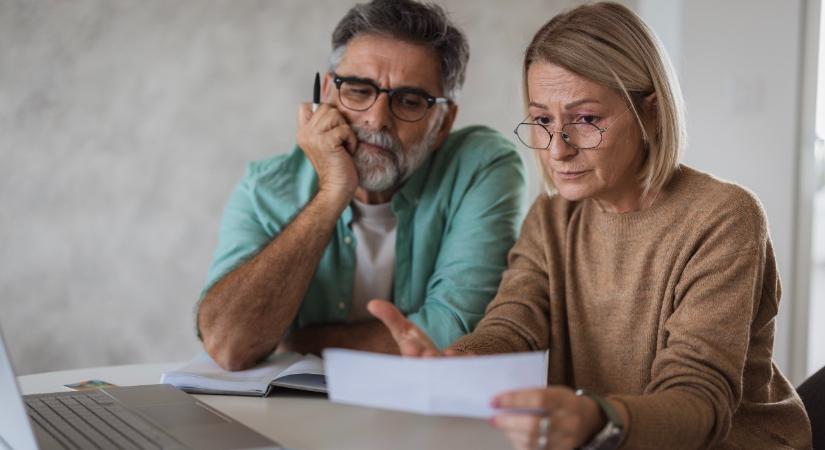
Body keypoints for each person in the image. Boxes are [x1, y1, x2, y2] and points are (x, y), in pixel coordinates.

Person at [368, 2, 813, 449]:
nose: (557, 149)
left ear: (651, 113)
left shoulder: (724, 216)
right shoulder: (550, 217)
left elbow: (699, 399)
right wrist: (457, 364)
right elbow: (514, 326)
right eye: (543, 120)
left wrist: (597, 416)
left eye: (585, 120)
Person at [196, 0, 526, 371]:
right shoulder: (265, 189)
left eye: (410, 100)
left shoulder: (480, 166)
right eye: (357, 90)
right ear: (326, 94)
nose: (377, 119)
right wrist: (331, 195)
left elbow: (457, 334)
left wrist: (299, 341)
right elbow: (228, 346)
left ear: (443, 123)